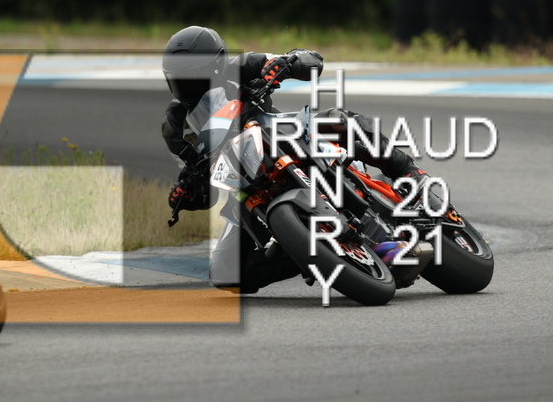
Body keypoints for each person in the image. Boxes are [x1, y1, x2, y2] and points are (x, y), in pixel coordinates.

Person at [161, 26, 427, 293]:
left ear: (217, 65)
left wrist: (285, 64)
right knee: (224, 272)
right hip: (244, 186)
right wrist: (188, 194)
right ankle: (310, 254)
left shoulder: (241, 67)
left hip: (282, 137)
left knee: (337, 120)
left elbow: (311, 60)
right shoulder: (174, 127)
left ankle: (407, 170)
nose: (184, 84)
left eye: (192, 75)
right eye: (177, 78)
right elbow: (202, 187)